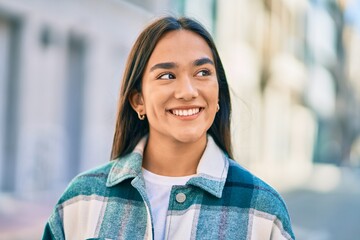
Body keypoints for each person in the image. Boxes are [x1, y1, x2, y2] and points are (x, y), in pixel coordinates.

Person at [42, 16, 295, 240]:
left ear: (218, 95)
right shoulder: (81, 200)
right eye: (166, 76)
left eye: (203, 72)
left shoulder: (263, 211)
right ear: (138, 100)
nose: (187, 91)